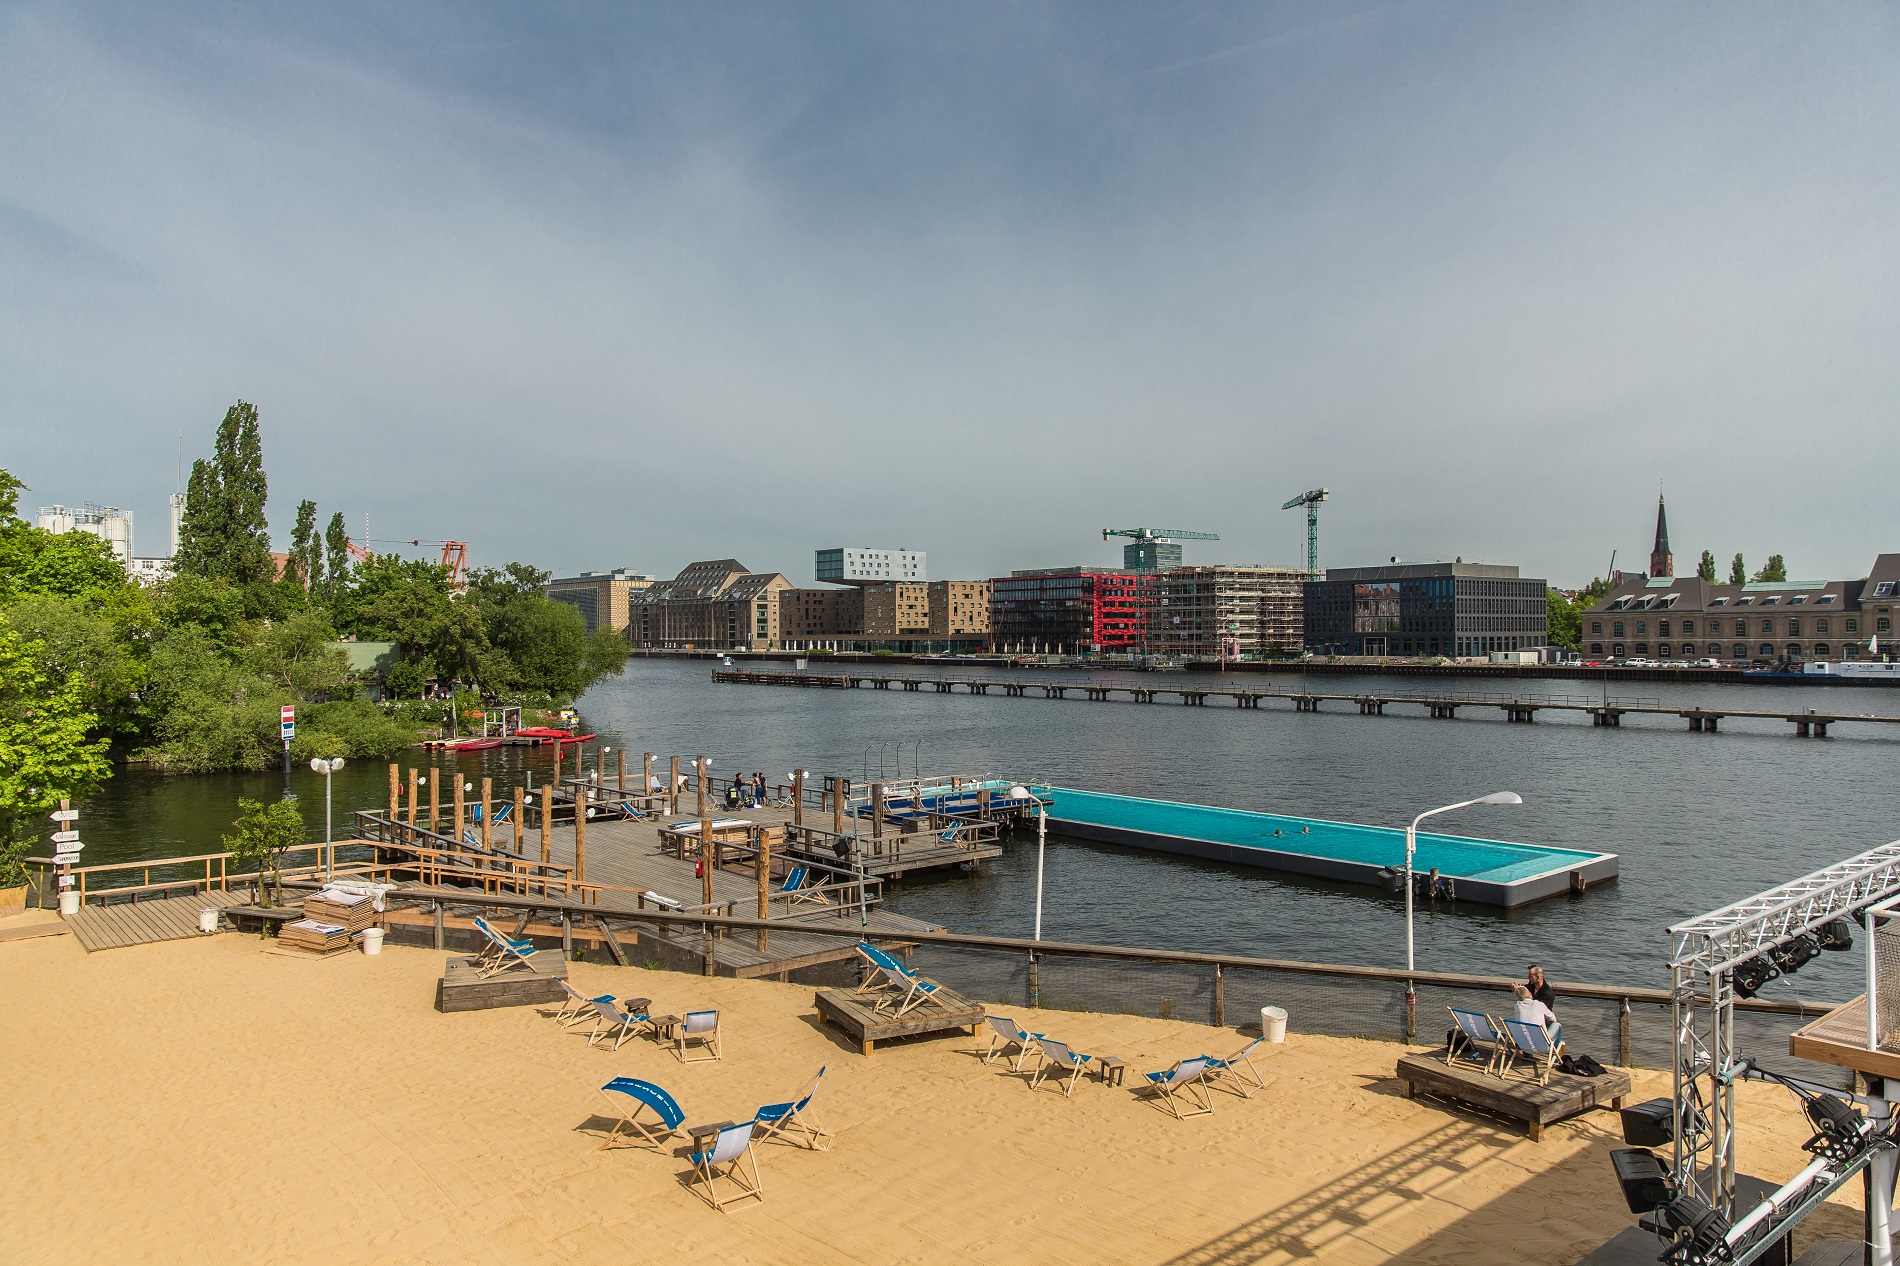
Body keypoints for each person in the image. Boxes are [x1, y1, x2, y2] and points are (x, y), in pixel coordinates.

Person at [1511, 983, 1562, 1049]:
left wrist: (1518, 990)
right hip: (1541, 1046)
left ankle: (1527, 1054)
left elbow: (1521, 997)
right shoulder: (1539, 1004)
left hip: (1524, 1044)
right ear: (1530, 993)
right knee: (1557, 1025)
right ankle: (1555, 1051)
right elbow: (1553, 1019)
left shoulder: (1517, 1006)